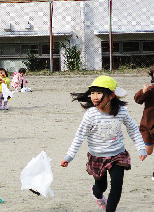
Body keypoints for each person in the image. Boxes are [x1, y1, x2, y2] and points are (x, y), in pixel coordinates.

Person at [60, 76, 147, 212]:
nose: (94, 97)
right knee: (101, 187)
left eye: (99, 93)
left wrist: (141, 148)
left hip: (117, 154)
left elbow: (133, 129)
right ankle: (97, 193)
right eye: (92, 93)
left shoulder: (121, 112)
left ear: (111, 96)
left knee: (117, 184)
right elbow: (79, 136)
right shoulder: (90, 115)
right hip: (97, 156)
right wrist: (68, 157)